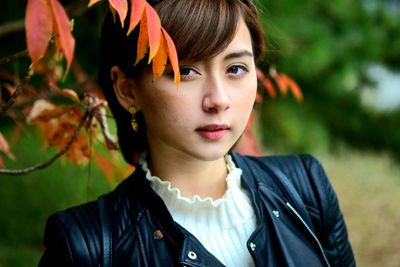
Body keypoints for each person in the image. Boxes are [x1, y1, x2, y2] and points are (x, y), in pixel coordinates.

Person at [38, 0, 355, 266]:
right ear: (127, 90)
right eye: (184, 71)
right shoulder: (86, 246)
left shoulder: (304, 188)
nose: (218, 100)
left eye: (236, 69)